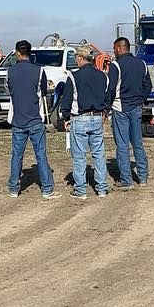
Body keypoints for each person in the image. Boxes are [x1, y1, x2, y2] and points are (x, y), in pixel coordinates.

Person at [57, 46, 115, 199]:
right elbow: (109, 96)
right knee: (98, 154)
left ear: (80, 58)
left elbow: (67, 99)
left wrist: (65, 117)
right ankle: (102, 188)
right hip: (97, 118)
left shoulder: (73, 76)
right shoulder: (104, 77)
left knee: (79, 156)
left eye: (76, 57)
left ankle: (81, 190)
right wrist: (105, 111)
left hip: (80, 118)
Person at [6, 40, 54, 199]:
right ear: (29, 53)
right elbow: (44, 93)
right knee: (40, 154)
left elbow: (10, 91)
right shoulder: (40, 71)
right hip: (35, 119)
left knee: (17, 155)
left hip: (18, 120)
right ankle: (47, 189)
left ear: (18, 53)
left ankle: (13, 187)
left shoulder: (10, 72)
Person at [110, 37, 152, 189]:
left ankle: (126, 180)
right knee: (138, 143)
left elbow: (111, 89)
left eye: (114, 48)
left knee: (122, 145)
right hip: (136, 107)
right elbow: (148, 85)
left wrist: (107, 107)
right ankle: (143, 177)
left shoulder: (116, 65)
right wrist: (142, 99)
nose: (114, 51)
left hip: (120, 107)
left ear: (120, 48)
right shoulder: (141, 63)